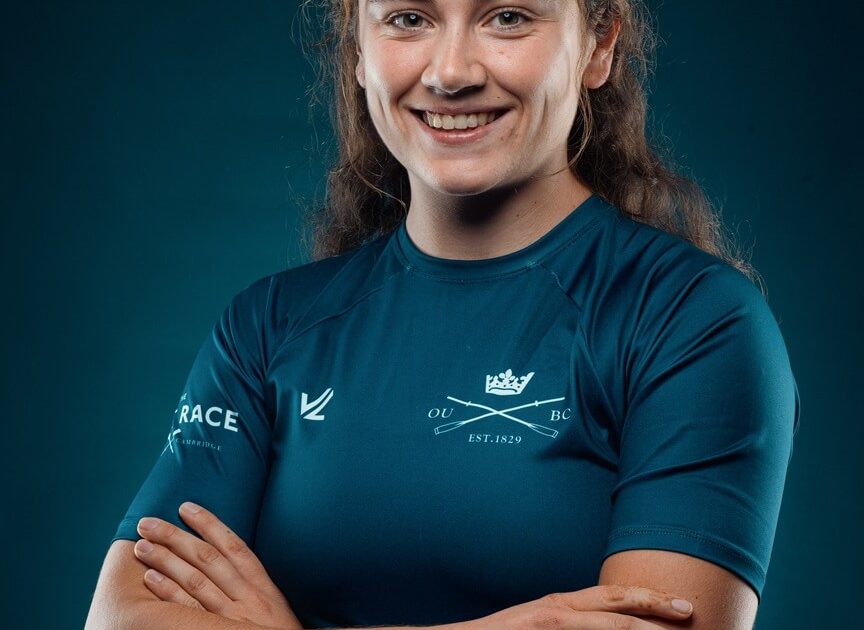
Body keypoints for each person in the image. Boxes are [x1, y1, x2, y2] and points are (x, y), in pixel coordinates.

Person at [85, 1, 801, 629]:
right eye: (409, 18)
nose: (451, 71)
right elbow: (119, 617)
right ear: (359, 49)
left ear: (599, 45)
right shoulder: (267, 326)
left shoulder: (691, 320)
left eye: (508, 17)